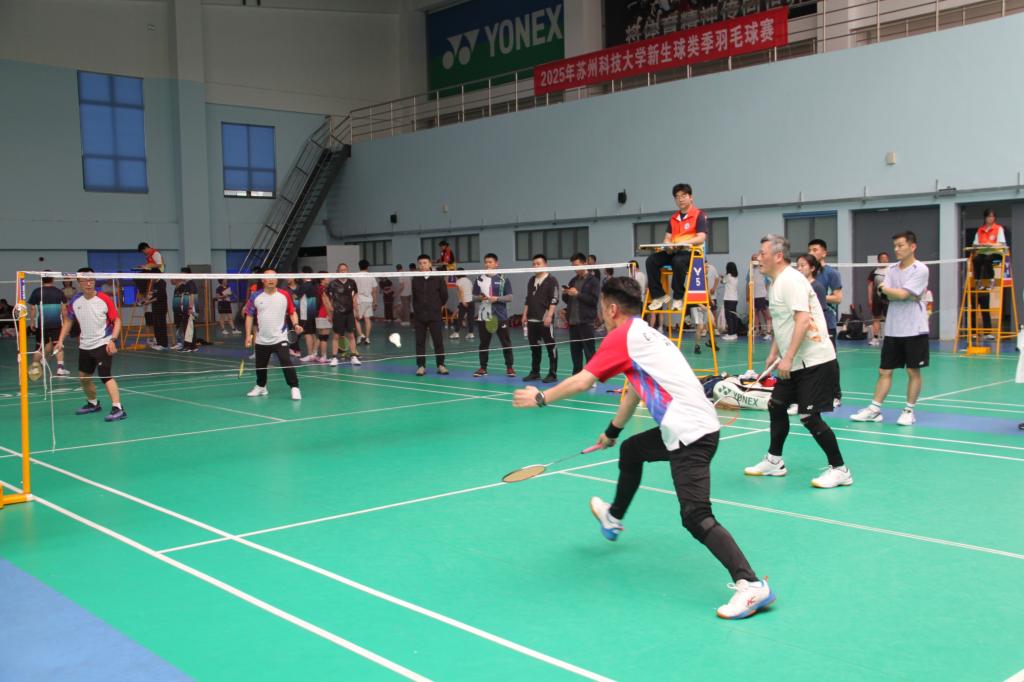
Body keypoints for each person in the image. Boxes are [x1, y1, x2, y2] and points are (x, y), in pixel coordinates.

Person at [512, 277, 774, 619]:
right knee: (632, 450)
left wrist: (541, 397)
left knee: (695, 516)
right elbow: (636, 388)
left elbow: (584, 380)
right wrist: (613, 431)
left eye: (602, 309)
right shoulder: (647, 335)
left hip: (690, 433)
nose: (601, 316)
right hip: (695, 426)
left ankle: (750, 585)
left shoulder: (622, 336)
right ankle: (613, 517)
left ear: (612, 309)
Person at [744, 235, 850, 489]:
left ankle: (840, 469)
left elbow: (803, 320)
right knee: (777, 405)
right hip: (794, 360)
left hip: (815, 360)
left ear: (778, 256)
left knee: (809, 416)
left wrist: (788, 357)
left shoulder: (791, 280)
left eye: (762, 253)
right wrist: (774, 352)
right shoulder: (776, 282)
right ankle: (774, 461)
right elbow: (784, 322)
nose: (758, 258)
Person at [850, 231, 930, 426]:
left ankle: (909, 410)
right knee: (884, 371)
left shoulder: (921, 269)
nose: (896, 249)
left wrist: (894, 292)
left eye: (901, 245)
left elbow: (900, 294)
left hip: (915, 328)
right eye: (895, 246)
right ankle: (874, 409)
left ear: (912, 246)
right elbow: (886, 294)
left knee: (913, 371)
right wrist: (898, 293)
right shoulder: (891, 270)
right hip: (893, 328)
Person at [55, 268, 126, 421]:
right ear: (78, 282)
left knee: (105, 375)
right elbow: (68, 321)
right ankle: (93, 403)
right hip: (85, 345)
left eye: (91, 280)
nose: (89, 283)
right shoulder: (75, 301)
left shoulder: (104, 299)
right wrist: (60, 340)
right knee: (84, 377)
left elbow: (117, 321)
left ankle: (118, 408)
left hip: (103, 342)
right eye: (85, 280)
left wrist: (113, 340)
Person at [645, 183, 707, 311]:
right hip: (675, 251)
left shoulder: (699, 215)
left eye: (683, 196)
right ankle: (659, 296)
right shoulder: (673, 218)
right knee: (651, 260)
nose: (680, 199)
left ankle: (678, 297)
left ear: (691, 197)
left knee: (677, 261)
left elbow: (701, 237)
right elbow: (667, 238)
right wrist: (668, 246)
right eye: (677, 197)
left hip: (691, 253)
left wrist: (684, 243)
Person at [243, 269, 302, 400]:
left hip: (280, 337)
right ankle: (261, 386)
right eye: (268, 278)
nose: (271, 280)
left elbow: (292, 312)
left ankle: (294, 387)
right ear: (262, 280)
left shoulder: (284, 295)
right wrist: (248, 335)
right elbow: (249, 316)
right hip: (262, 338)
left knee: (286, 361)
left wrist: (296, 324)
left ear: (277, 279)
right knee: (260, 365)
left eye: (273, 277)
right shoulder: (255, 296)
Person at [807, 239, 843, 406]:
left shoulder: (831, 273)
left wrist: (817, 297)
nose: (811, 253)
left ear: (824, 253)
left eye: (815, 250)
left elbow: (838, 298)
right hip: (808, 323)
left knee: (829, 360)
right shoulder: (806, 274)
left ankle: (835, 395)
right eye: (810, 250)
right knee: (808, 360)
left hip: (827, 322)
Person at [472, 253, 515, 377]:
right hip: (484, 316)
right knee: (484, 344)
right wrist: (480, 297)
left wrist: (497, 299)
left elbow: (510, 297)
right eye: (486, 262)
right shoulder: (479, 279)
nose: (487, 264)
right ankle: (483, 368)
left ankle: (510, 368)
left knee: (506, 343)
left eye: (490, 262)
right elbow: (473, 297)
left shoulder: (503, 279)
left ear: (496, 264)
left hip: (500, 316)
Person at [521, 254, 559, 383]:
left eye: (538, 263)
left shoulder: (551, 280)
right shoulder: (531, 280)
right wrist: (524, 314)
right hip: (532, 319)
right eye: (534, 264)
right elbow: (528, 299)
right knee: (535, 347)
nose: (536, 266)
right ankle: (535, 372)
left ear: (545, 264)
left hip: (545, 319)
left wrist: (549, 316)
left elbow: (554, 299)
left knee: (550, 346)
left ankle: (552, 374)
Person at [411, 254, 449, 376]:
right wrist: (417, 310)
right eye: (420, 263)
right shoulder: (415, 279)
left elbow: (444, 295)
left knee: (438, 341)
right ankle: (421, 366)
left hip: (434, 315)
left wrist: (437, 307)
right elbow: (414, 297)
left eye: (425, 263)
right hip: (419, 316)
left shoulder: (438, 278)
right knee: (420, 342)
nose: (422, 265)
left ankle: (441, 365)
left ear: (430, 264)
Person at [972, 208, 1007, 339]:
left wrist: (990, 245)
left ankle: (991, 279)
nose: (990, 219)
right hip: (983, 253)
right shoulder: (980, 230)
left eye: (992, 216)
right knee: (976, 259)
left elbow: (1002, 244)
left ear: (995, 218)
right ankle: (978, 281)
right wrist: (980, 246)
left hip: (995, 254)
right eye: (988, 216)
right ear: (985, 218)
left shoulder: (998, 229)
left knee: (987, 259)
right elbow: (975, 244)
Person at [564, 253, 600, 374]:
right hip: (573, 322)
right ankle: (576, 375)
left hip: (586, 322)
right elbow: (569, 301)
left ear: (585, 263)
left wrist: (578, 294)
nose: (575, 268)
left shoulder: (593, 281)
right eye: (573, 266)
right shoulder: (573, 280)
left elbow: (593, 301)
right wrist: (566, 293)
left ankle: (591, 377)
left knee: (589, 351)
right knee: (575, 352)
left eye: (577, 265)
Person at [28, 277, 70, 376]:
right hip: (56, 324)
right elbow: (64, 309)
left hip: (41, 324)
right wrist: (65, 323)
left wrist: (32, 321)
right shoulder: (59, 292)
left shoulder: (37, 291)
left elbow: (33, 308)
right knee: (57, 345)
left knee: (39, 347)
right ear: (53, 279)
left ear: (42, 280)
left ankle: (35, 369)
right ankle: (60, 368)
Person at [326, 264, 361, 366]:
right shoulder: (333, 284)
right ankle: (334, 358)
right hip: (338, 313)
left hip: (349, 313)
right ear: (337, 271)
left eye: (345, 269)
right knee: (336, 336)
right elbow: (329, 298)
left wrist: (356, 310)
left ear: (347, 270)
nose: (343, 271)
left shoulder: (352, 282)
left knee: (351, 335)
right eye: (341, 270)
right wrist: (330, 312)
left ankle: (353, 356)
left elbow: (355, 296)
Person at [137, 242, 169, 350]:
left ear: (146, 248)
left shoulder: (155, 253)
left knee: (161, 326)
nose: (144, 253)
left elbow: (159, 265)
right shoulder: (155, 284)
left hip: (161, 307)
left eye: (143, 251)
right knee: (157, 326)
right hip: (155, 307)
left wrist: (147, 266)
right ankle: (159, 343)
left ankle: (163, 344)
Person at [690, 259, 719, 355]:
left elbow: (707, 291)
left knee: (713, 324)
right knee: (701, 326)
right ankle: (697, 346)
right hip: (696, 305)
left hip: (705, 305)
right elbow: (691, 296)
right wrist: (700, 304)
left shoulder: (705, 278)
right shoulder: (695, 279)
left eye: (707, 267)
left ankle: (711, 342)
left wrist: (710, 300)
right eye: (705, 267)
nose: (707, 268)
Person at [171, 268, 198, 352]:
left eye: (182, 273)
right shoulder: (187, 284)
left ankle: (189, 346)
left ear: (187, 274)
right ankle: (191, 346)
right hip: (186, 308)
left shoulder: (191, 283)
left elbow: (192, 296)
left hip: (190, 309)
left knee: (189, 328)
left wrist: (190, 308)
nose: (181, 275)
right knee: (187, 327)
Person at [866, 252, 890, 346]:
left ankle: (890, 338)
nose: (884, 259)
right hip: (876, 299)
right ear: (879, 260)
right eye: (882, 258)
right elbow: (870, 286)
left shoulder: (891, 271)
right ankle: (875, 338)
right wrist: (870, 299)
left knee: (890, 319)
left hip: (889, 299)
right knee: (876, 319)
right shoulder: (874, 272)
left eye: (886, 258)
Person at [353, 259, 378, 346]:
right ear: (367, 267)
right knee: (367, 319)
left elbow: (353, 290)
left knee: (356, 319)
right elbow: (374, 291)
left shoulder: (355, 276)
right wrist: (375, 302)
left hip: (359, 300)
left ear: (359, 266)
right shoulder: (371, 276)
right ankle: (367, 338)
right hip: (369, 300)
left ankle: (360, 335)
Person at [748, 254, 771, 339]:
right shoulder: (750, 271)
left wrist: (765, 292)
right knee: (755, 314)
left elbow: (768, 282)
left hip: (762, 296)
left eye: (756, 259)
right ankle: (756, 330)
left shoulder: (763, 269)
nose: (755, 260)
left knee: (766, 315)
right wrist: (749, 295)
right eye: (753, 259)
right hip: (754, 296)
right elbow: (748, 283)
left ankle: (768, 333)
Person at [451, 268, 475, 340]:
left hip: (464, 302)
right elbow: (471, 290)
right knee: (470, 318)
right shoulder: (469, 280)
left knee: (460, 318)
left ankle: (456, 333)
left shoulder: (458, 281)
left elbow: (460, 292)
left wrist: (463, 301)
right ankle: (471, 333)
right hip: (471, 301)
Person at [721, 262, 740, 340]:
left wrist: (721, 277)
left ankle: (731, 334)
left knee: (729, 317)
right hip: (735, 299)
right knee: (733, 316)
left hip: (728, 299)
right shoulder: (736, 276)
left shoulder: (728, 276)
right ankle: (734, 333)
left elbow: (722, 281)